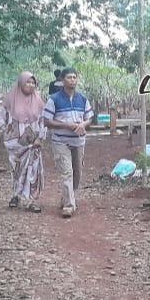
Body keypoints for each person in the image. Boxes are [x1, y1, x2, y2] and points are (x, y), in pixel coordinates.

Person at [43, 67, 93, 218]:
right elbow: (47, 121)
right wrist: (67, 125)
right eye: (69, 77)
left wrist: (82, 125)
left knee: (77, 173)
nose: (72, 80)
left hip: (78, 141)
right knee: (66, 172)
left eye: (74, 77)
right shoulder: (54, 99)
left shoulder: (82, 99)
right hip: (60, 140)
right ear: (62, 80)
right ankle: (69, 205)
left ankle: (67, 196)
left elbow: (89, 117)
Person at [0, 72, 47, 213]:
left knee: (33, 170)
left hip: (33, 143)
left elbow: (43, 120)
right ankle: (16, 195)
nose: (30, 85)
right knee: (17, 169)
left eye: (33, 83)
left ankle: (31, 200)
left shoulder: (38, 100)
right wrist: (6, 133)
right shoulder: (10, 99)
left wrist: (40, 137)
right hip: (15, 145)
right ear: (20, 83)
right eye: (27, 82)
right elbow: (1, 117)